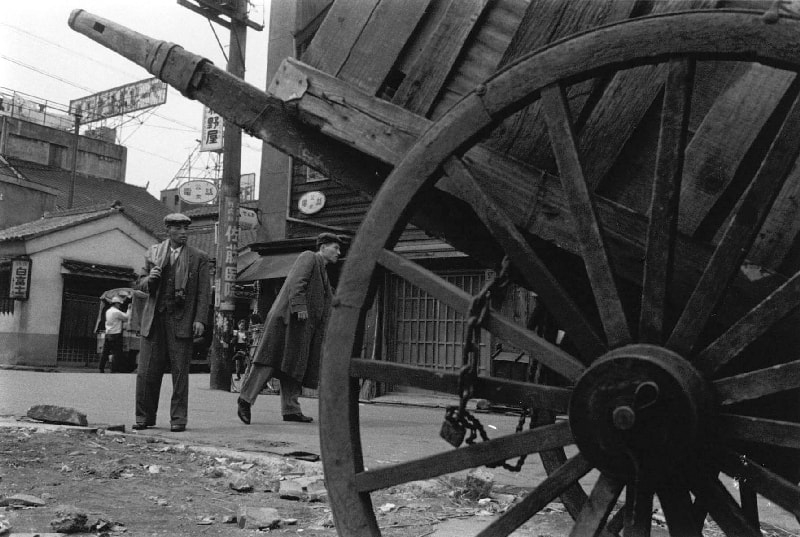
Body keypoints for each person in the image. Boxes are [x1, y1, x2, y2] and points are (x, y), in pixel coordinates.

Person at [236, 232, 342, 424]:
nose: (338, 252)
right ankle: (245, 399)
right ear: (323, 247)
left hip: (302, 325)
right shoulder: (309, 257)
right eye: (335, 247)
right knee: (270, 360)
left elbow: (326, 299)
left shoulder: (322, 270)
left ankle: (291, 409)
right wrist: (300, 307)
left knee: (295, 364)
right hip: (287, 319)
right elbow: (296, 282)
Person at [132, 213, 210, 432]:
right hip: (154, 319)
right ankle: (144, 417)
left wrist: (200, 319)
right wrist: (150, 279)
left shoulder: (199, 257)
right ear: (168, 230)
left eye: (186, 228)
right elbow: (139, 284)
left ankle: (178, 419)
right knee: (146, 372)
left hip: (182, 319)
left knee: (180, 373)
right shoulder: (153, 253)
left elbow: (204, 292)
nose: (183, 232)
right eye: (178, 228)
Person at [99, 296, 129, 373]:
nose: (120, 305)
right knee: (116, 353)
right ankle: (113, 369)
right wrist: (129, 309)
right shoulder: (116, 312)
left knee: (105, 352)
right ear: (116, 304)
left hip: (108, 334)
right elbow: (126, 317)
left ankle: (101, 368)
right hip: (116, 335)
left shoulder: (108, 311)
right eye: (119, 304)